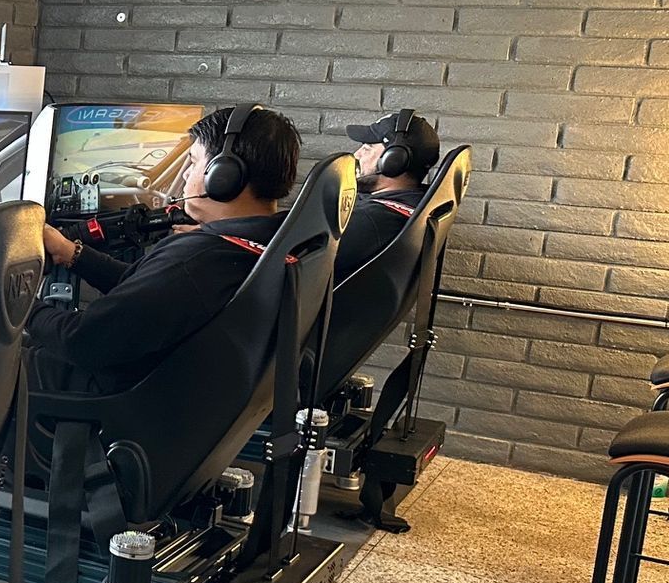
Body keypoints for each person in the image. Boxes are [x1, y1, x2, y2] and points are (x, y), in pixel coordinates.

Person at [26, 103, 303, 396]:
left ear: (224, 175)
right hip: (169, 397)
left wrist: (17, 303)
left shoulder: (199, 259)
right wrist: (72, 253)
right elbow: (146, 293)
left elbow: (80, 341)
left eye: (194, 162)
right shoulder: (270, 244)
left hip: (101, 399)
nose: (186, 176)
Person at [336, 109, 442, 282]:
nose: (356, 155)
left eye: (367, 148)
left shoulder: (372, 221)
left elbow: (292, 260)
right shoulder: (413, 203)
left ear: (394, 161)